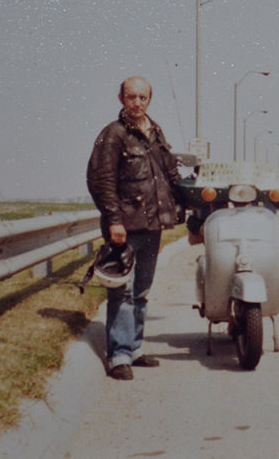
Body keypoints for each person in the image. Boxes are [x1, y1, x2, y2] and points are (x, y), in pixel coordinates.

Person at [86, 76, 182, 380]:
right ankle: (119, 356)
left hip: (153, 225)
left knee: (141, 291)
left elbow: (171, 174)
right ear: (121, 99)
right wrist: (114, 220)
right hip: (124, 228)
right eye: (131, 97)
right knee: (122, 292)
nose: (137, 103)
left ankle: (135, 347)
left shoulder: (155, 132)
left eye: (143, 97)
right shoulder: (112, 135)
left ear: (149, 100)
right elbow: (100, 181)